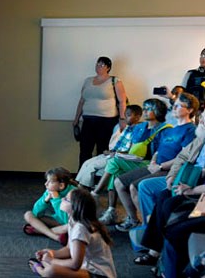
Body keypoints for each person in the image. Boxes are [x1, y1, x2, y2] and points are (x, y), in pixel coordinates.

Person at [114, 93, 198, 232]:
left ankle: (149, 226)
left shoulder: (190, 130)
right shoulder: (171, 130)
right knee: (119, 182)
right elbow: (159, 150)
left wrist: (160, 166)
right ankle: (134, 219)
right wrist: (153, 162)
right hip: (155, 165)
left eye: (178, 106)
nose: (174, 108)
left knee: (135, 187)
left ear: (189, 110)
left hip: (168, 169)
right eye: (174, 105)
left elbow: (184, 158)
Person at [91, 98, 168, 225]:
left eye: (149, 108)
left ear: (158, 111)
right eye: (145, 108)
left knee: (114, 162)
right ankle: (113, 211)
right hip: (135, 160)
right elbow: (131, 147)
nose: (145, 111)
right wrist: (120, 153)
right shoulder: (140, 127)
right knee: (115, 170)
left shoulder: (164, 129)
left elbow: (160, 152)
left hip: (150, 164)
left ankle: (96, 193)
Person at [28, 188, 117, 278]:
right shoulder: (72, 220)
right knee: (49, 263)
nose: (62, 199)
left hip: (98, 274)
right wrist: (52, 253)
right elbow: (69, 249)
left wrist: (51, 260)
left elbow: (75, 265)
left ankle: (40, 270)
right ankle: (44, 265)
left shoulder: (80, 229)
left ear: (75, 207)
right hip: (86, 267)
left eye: (66, 199)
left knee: (51, 271)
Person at [73, 56, 128, 170]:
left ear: (108, 68)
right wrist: (76, 119)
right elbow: (82, 100)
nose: (99, 67)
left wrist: (122, 119)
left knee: (102, 150)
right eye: (97, 64)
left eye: (102, 65)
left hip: (106, 121)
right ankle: (82, 177)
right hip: (88, 120)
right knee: (85, 149)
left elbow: (122, 101)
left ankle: (99, 178)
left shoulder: (115, 81)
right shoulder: (88, 81)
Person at [76, 104, 142, 189]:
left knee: (92, 166)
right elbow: (116, 144)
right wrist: (109, 151)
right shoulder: (122, 128)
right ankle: (80, 185)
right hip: (112, 153)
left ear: (137, 117)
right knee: (87, 162)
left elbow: (131, 150)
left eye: (129, 115)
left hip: (119, 157)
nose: (125, 117)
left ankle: (82, 187)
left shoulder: (139, 131)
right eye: (125, 115)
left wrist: (114, 153)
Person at [23, 167, 78, 244]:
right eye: (46, 181)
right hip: (58, 221)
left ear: (61, 185)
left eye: (50, 182)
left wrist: (56, 199)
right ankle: (55, 236)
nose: (46, 184)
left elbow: (65, 220)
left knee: (69, 227)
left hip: (71, 222)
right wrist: (45, 200)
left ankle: (39, 231)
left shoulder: (73, 193)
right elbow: (36, 213)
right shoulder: (51, 191)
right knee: (28, 214)